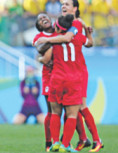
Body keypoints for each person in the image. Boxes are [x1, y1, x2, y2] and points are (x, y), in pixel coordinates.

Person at [36, 0, 103, 152]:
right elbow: (87, 42)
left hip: (74, 72)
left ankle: (93, 140)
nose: (64, 6)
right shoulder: (64, 24)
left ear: (75, 8)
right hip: (70, 74)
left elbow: (65, 39)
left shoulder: (75, 24)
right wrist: (88, 33)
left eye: (67, 4)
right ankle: (77, 140)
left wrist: (45, 43)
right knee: (71, 110)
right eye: (62, 4)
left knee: (74, 108)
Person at [41, 14, 92, 152]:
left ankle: (55, 142)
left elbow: (44, 56)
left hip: (57, 79)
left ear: (58, 27)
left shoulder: (53, 40)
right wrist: (88, 32)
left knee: (55, 113)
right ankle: (65, 145)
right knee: (71, 115)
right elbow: (90, 43)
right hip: (74, 80)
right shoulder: (79, 38)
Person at [32, 13, 56, 152]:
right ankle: (48, 142)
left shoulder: (60, 32)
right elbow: (40, 49)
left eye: (45, 17)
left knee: (67, 110)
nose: (44, 19)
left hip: (64, 74)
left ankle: (65, 140)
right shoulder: (38, 37)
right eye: (40, 19)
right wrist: (57, 39)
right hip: (49, 76)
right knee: (51, 111)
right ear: (39, 26)